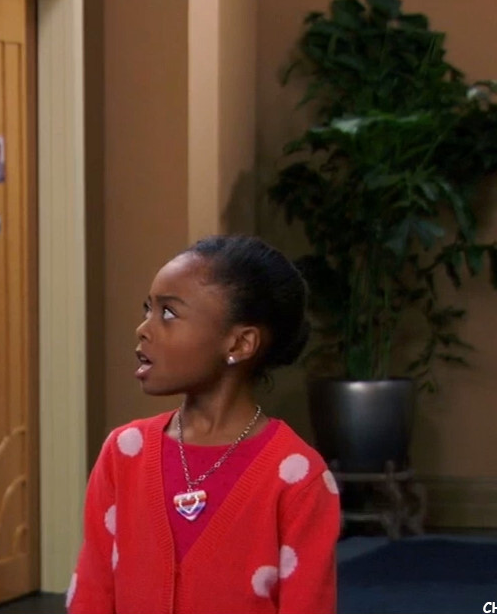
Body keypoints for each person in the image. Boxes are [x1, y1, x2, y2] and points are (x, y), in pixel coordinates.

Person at [67, 235, 339, 613]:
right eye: (147, 309)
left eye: (168, 313)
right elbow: (92, 594)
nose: (143, 328)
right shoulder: (123, 453)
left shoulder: (298, 477)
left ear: (239, 344)